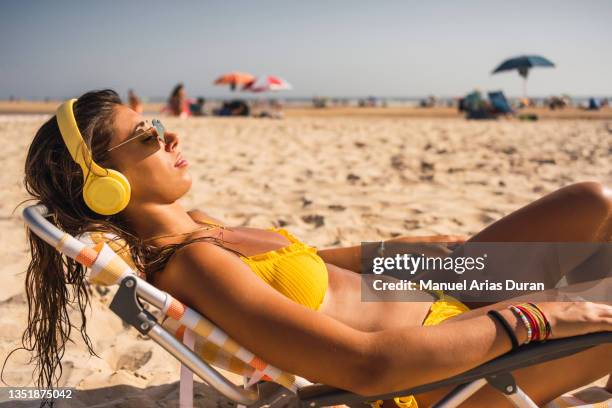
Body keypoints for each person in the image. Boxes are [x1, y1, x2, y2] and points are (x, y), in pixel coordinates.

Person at [11, 90, 612, 408]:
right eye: (145, 136)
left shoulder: (200, 226)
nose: (169, 134)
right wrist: (539, 315)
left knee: (594, 201)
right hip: (451, 372)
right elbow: (364, 367)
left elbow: (323, 265)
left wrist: (417, 255)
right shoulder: (193, 265)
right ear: (104, 182)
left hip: (444, 294)